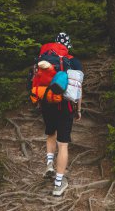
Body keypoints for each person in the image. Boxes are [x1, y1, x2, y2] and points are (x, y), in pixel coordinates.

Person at [41, 32, 83, 196]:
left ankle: (49, 164)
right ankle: (58, 184)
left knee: (51, 133)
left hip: (47, 103)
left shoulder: (45, 58)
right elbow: (77, 88)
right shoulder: (73, 61)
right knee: (63, 144)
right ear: (68, 46)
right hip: (65, 106)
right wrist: (78, 109)